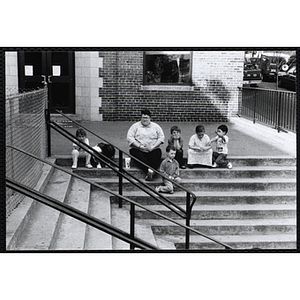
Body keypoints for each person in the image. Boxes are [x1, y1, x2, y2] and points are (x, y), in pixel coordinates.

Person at [127, 109, 165, 180]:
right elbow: (130, 138)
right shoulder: (135, 126)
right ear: (140, 118)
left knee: (157, 153)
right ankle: (150, 171)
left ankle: (150, 172)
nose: (145, 120)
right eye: (143, 118)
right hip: (139, 149)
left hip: (152, 149)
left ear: (150, 118)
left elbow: (161, 137)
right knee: (133, 152)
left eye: (146, 118)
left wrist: (153, 146)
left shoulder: (156, 127)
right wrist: (140, 147)